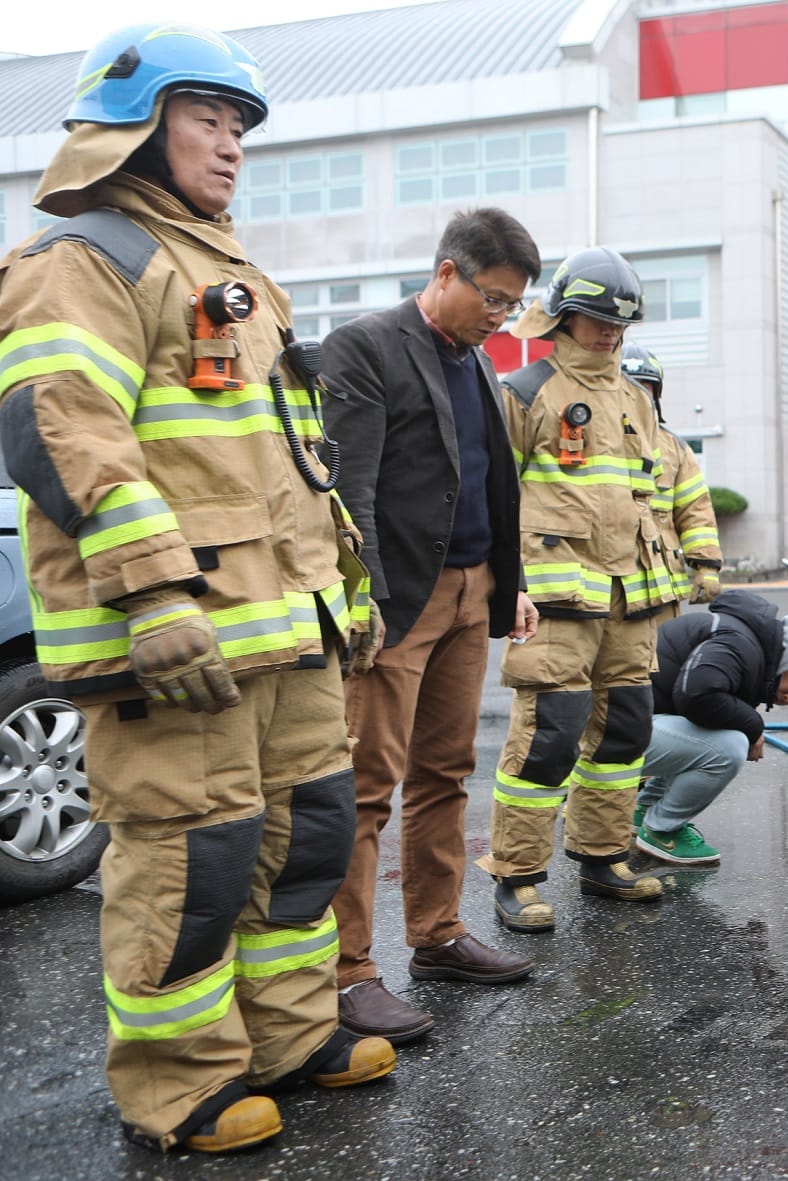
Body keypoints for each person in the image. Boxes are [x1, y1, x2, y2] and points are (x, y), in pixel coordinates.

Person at [0, 22, 394, 1153]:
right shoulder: (81, 261)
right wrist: (153, 594)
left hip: (287, 633)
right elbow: (62, 428)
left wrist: (344, 589)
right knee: (189, 860)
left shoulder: (229, 277)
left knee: (303, 842)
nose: (230, 148)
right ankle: (180, 1083)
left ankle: (288, 1032)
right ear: (131, 123)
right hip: (179, 639)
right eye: (207, 119)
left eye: (239, 128)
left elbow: (290, 462)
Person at [323, 209, 544, 1045]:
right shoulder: (367, 345)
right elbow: (352, 491)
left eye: (513, 304)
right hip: (399, 601)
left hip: (469, 592)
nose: (500, 316)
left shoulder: (477, 362)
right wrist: (365, 598)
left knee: (446, 773)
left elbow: (490, 482)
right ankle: (347, 970)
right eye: (491, 297)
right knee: (365, 785)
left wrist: (504, 586)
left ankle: (439, 932)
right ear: (446, 273)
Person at [475, 247, 678, 930]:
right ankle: (518, 875)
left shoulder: (633, 399)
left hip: (628, 598)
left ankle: (602, 857)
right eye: (597, 320)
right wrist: (506, 585)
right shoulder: (526, 390)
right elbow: (490, 494)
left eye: (621, 323)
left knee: (625, 732)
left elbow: (649, 497)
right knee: (549, 737)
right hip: (556, 598)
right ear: (563, 315)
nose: (611, 333)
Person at [633, 589, 788, 864]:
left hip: (628, 722)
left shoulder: (749, 646)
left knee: (712, 733)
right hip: (616, 729)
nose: (787, 698)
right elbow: (695, 694)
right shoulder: (741, 645)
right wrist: (753, 724)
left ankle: (647, 809)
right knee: (729, 746)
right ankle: (660, 829)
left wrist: (747, 721)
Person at [621, 342, 722, 609]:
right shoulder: (594, 437)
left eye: (644, 385)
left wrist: (707, 567)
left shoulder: (675, 449)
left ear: (656, 392)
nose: (636, 393)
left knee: (663, 651)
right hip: (604, 585)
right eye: (628, 384)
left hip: (660, 583)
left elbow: (696, 511)